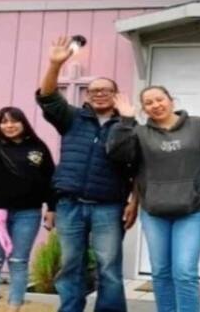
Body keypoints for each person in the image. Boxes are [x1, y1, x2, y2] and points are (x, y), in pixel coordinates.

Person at [107, 86, 200, 312]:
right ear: (143, 109)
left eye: (159, 99)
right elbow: (119, 157)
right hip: (154, 211)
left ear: (171, 100)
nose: (156, 105)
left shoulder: (198, 125)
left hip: (193, 211)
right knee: (161, 272)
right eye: (148, 103)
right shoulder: (139, 133)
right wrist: (126, 121)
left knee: (185, 271)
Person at [36, 35, 134, 312]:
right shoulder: (73, 118)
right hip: (70, 205)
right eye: (93, 90)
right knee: (70, 266)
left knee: (109, 268)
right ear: (87, 96)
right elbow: (47, 97)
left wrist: (134, 201)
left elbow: (139, 167)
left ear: (115, 95)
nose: (99, 93)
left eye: (105, 89)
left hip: (108, 206)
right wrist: (55, 65)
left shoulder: (129, 124)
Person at [0, 103, 56, 312]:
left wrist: (52, 208)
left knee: (18, 261)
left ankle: (15, 306)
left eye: (14, 120)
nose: (9, 125)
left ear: (24, 123)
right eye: (4, 122)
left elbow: (50, 178)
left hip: (28, 213)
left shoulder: (38, 148)